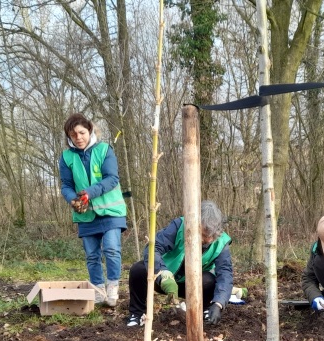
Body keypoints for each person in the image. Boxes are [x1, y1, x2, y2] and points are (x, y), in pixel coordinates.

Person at [127, 200, 233, 327]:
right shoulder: (179, 226)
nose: (208, 240)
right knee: (138, 270)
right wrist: (162, 273)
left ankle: (205, 311)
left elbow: (225, 274)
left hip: (192, 286)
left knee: (209, 280)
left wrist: (218, 304)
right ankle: (137, 314)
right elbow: (154, 248)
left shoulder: (222, 242)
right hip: (165, 280)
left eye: (212, 236)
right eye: (204, 235)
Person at [59, 113, 127, 307]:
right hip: (86, 215)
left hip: (111, 212)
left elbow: (112, 178)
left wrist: (89, 193)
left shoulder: (105, 150)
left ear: (89, 131)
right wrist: (73, 199)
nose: (78, 137)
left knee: (112, 249)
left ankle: (112, 286)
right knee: (92, 255)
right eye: (73, 135)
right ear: (69, 137)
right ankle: (98, 290)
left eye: (81, 132)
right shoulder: (66, 157)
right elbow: (66, 185)